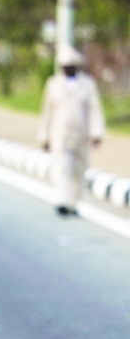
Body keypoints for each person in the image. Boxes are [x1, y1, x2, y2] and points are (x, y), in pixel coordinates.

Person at [37, 44, 106, 216]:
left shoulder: (87, 85)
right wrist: (44, 136)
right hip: (60, 133)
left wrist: (96, 133)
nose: (66, 69)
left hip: (81, 134)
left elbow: (94, 110)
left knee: (79, 169)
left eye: (69, 66)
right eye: (64, 66)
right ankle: (62, 201)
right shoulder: (53, 84)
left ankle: (74, 203)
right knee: (62, 167)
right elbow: (47, 112)